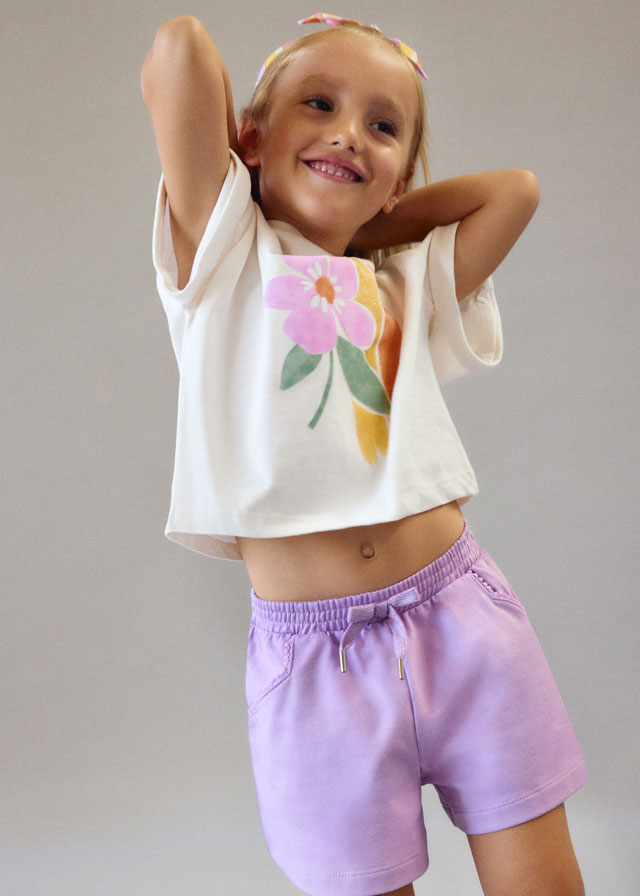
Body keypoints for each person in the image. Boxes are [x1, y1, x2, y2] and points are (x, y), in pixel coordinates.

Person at [142, 12, 586, 896]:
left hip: (466, 627)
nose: (349, 132)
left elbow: (516, 192)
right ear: (249, 138)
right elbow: (179, 50)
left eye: (383, 126)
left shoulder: (400, 285)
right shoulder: (223, 262)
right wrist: (255, 182)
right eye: (319, 104)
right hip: (317, 671)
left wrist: (374, 218)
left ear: (399, 178)